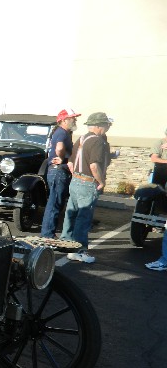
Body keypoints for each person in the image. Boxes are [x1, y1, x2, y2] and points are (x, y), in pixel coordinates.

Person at [60, 112, 113, 263]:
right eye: (105, 125)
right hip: (87, 182)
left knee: (71, 214)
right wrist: (101, 182)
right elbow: (94, 165)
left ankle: (66, 243)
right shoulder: (97, 141)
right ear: (98, 126)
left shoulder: (82, 138)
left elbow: (70, 163)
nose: (107, 128)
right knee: (84, 217)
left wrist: (77, 176)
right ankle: (79, 250)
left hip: (75, 180)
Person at [40, 108, 81, 238]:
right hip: (59, 172)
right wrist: (62, 158)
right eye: (72, 118)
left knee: (54, 202)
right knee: (55, 203)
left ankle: (47, 233)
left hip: (56, 171)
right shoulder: (62, 133)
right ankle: (47, 235)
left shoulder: (60, 132)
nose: (75, 120)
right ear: (63, 120)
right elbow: (59, 148)